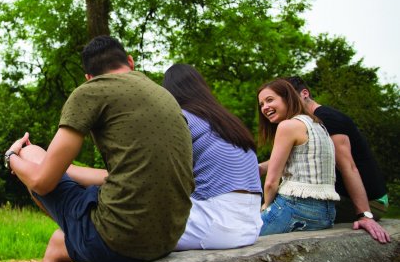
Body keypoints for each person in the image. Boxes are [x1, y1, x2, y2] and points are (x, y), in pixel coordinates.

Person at [5, 36, 194, 262]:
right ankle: (76, 235)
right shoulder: (164, 95)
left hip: (117, 241)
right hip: (168, 237)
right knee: (59, 241)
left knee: (31, 153)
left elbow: (41, 183)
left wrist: (12, 157)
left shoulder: (90, 92)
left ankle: (79, 233)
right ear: (130, 62)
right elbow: (128, 173)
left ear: (88, 78)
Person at [161, 64, 263, 250]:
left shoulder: (181, 118)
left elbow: (155, 173)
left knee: (130, 229)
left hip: (216, 225)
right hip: (251, 226)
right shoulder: (226, 121)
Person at [285, 76, 391, 243]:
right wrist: (259, 167)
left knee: (284, 210)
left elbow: (348, 166)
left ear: (304, 94)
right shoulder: (309, 122)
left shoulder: (327, 118)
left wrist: (365, 215)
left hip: (370, 202)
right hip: (343, 197)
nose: (286, 103)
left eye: (288, 97)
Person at [257, 78, 339, 235]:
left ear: (287, 97)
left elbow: (271, 183)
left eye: (270, 100)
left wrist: (265, 206)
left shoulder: (287, 126)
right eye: (261, 104)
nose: (265, 107)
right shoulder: (317, 124)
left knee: (243, 234)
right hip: (327, 213)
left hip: (297, 208)